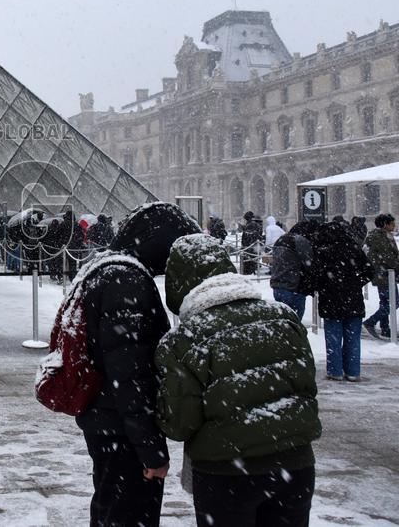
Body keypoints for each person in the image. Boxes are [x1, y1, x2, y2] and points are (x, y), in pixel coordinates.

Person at [156, 234, 321, 527]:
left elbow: (180, 424)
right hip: (295, 465)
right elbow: (306, 387)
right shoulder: (284, 317)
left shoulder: (183, 341)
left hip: (225, 475)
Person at [75, 202, 199, 527]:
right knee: (129, 515)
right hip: (122, 430)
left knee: (109, 509)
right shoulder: (126, 282)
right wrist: (151, 450)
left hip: (105, 421)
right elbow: (129, 377)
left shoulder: (107, 270)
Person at [311, 219, 374, 381]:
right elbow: (369, 271)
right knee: (353, 338)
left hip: (331, 300)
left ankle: (335, 370)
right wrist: (355, 283)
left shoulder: (323, 250)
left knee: (333, 338)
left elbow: (316, 275)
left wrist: (324, 286)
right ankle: (353, 371)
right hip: (353, 299)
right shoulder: (353, 248)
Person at [269, 220, 318, 321]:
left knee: (282, 323)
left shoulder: (281, 239)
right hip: (293, 287)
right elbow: (309, 263)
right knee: (295, 324)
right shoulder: (300, 241)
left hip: (277, 285)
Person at [364, 213, 399, 339]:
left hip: (387, 273)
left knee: (386, 302)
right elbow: (387, 257)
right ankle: (370, 322)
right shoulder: (379, 237)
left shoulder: (385, 236)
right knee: (393, 302)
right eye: (392, 223)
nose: (394, 225)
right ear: (385, 224)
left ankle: (385, 327)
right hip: (384, 274)